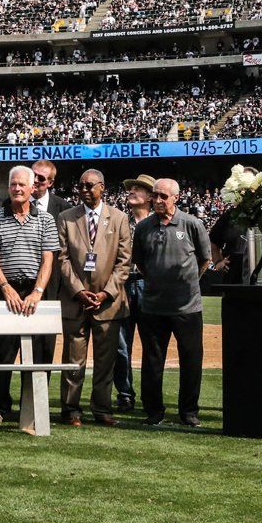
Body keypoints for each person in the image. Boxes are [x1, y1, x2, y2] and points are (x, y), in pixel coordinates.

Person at [0, 166, 62, 427]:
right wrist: (5, 288)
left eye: (21, 185)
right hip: (5, 291)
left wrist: (38, 292)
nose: (17, 189)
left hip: (36, 292)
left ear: (32, 188)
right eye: (13, 184)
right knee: (0, 354)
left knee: (40, 353)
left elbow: (48, 259)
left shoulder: (46, 219)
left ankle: (36, 407)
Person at [130, 178, 212, 427]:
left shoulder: (191, 224)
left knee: (191, 359)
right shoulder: (144, 228)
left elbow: (205, 259)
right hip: (153, 306)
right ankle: (154, 411)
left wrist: (188, 283)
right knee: (152, 360)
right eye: (154, 195)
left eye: (163, 196)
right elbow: (140, 263)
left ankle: (188, 411)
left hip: (187, 306)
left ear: (176, 197)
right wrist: (157, 281)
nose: (157, 200)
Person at [57, 169, 131, 426]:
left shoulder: (120, 218)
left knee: (105, 360)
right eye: (81, 186)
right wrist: (78, 291)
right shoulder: (66, 217)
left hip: (107, 303)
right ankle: (70, 409)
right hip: (75, 301)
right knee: (73, 360)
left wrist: (105, 292)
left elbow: (124, 262)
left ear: (102, 187)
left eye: (89, 186)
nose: (84, 190)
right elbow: (62, 259)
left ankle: (102, 408)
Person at [114, 173, 156, 412]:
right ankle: (125, 393)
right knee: (120, 344)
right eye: (131, 188)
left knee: (153, 344)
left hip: (149, 285)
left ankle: (152, 395)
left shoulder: (158, 222)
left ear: (150, 196)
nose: (132, 191)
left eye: (138, 189)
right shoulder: (120, 221)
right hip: (123, 284)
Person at [209, 167, 256, 284]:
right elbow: (213, 242)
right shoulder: (229, 216)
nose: (245, 191)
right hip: (232, 279)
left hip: (260, 279)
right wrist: (218, 262)